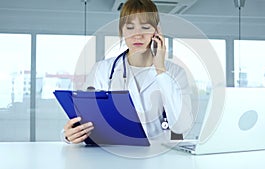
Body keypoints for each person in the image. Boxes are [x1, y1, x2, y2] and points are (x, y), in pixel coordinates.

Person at [62, 0, 193, 144]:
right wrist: (69, 135)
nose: (137, 35)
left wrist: (160, 70)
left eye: (145, 27)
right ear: (122, 30)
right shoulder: (103, 70)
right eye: (130, 27)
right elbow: (83, 117)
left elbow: (182, 127)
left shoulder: (175, 73)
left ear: (156, 31)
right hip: (114, 155)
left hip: (159, 157)